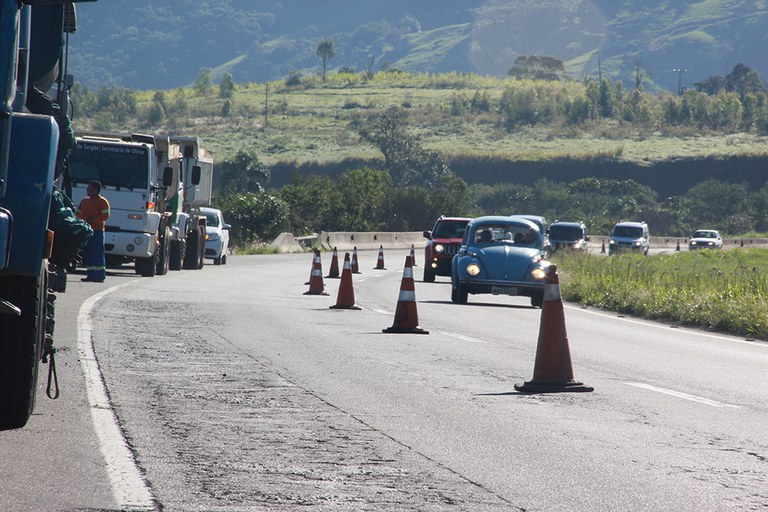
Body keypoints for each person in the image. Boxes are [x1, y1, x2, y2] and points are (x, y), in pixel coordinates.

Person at [76, 180, 110, 282]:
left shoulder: (103, 202)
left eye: (89, 188)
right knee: (88, 252)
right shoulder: (84, 201)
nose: (87, 190)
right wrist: (85, 219)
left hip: (97, 231)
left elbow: (105, 215)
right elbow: (77, 213)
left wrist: (94, 220)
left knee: (98, 252)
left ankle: (100, 275)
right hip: (86, 230)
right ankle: (90, 274)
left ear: (95, 190)